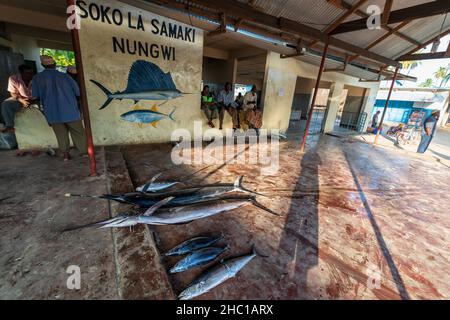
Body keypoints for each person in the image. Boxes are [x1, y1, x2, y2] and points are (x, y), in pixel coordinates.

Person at [32, 55, 87, 161]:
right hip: (70, 110)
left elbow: (35, 96)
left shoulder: (37, 78)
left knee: (60, 134)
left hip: (52, 111)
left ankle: (65, 154)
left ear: (42, 65)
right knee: (78, 132)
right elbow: (78, 92)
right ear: (55, 64)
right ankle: (83, 152)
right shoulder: (65, 77)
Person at [1, 64, 36, 133]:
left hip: (36, 100)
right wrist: (21, 100)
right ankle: (10, 126)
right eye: (27, 73)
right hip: (20, 99)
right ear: (21, 73)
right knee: (6, 104)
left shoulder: (37, 79)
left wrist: (34, 100)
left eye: (31, 73)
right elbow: (13, 93)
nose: (30, 75)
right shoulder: (13, 78)